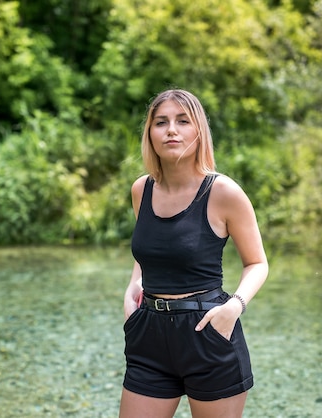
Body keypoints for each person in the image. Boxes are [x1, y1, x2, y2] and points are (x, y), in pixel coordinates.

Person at [120, 89, 269, 418]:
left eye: (182, 121)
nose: (171, 129)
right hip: (149, 335)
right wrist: (134, 285)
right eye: (161, 122)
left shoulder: (223, 192)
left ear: (198, 131)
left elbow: (257, 263)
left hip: (208, 332)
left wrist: (234, 308)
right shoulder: (141, 190)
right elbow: (151, 246)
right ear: (150, 134)